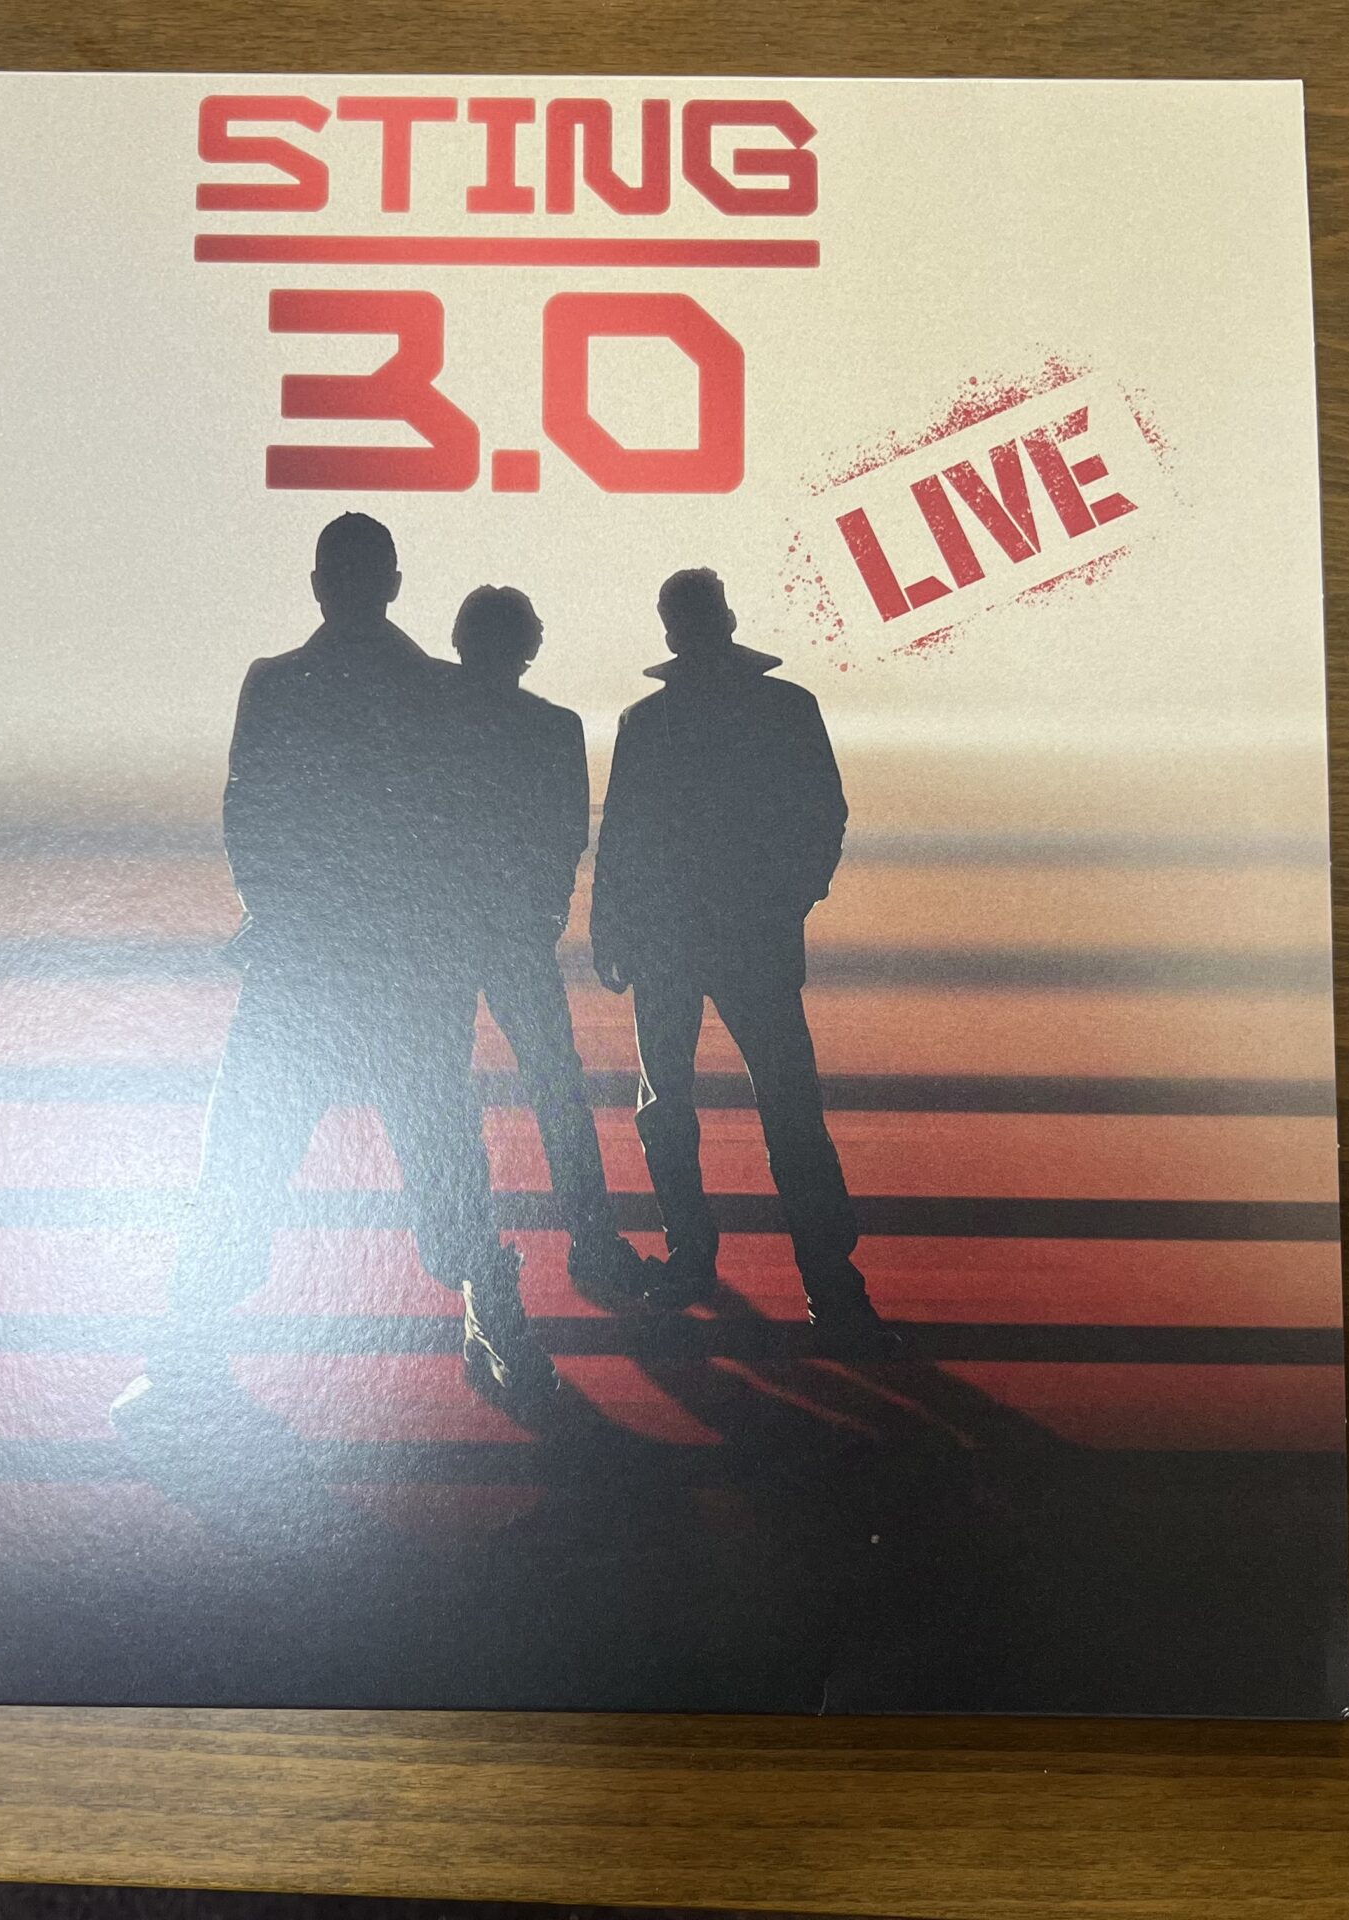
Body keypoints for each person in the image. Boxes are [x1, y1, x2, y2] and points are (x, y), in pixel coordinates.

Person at [117, 515, 558, 1444]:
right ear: (393, 584)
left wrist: (286, 915)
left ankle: (189, 1350)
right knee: (441, 1152)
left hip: (304, 965)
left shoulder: (278, 683)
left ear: (321, 584)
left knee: (248, 1157)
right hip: (403, 966)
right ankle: (491, 1317)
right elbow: (460, 829)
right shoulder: (440, 692)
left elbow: (249, 813)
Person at [589, 567, 901, 1361]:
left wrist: (611, 928)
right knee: (787, 1107)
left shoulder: (647, 721)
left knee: (669, 1104)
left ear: (671, 632)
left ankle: (693, 1258)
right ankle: (830, 1281)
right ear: (727, 620)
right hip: (746, 938)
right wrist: (790, 899)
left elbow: (621, 836)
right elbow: (822, 814)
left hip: (669, 939)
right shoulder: (785, 708)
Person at [444, 586, 654, 1305]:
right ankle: (592, 1242)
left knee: (448, 1090)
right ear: (530, 647)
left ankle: (473, 1255)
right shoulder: (554, 727)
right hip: (516, 933)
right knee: (557, 1086)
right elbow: (568, 834)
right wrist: (545, 910)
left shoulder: (430, 721)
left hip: (445, 931)